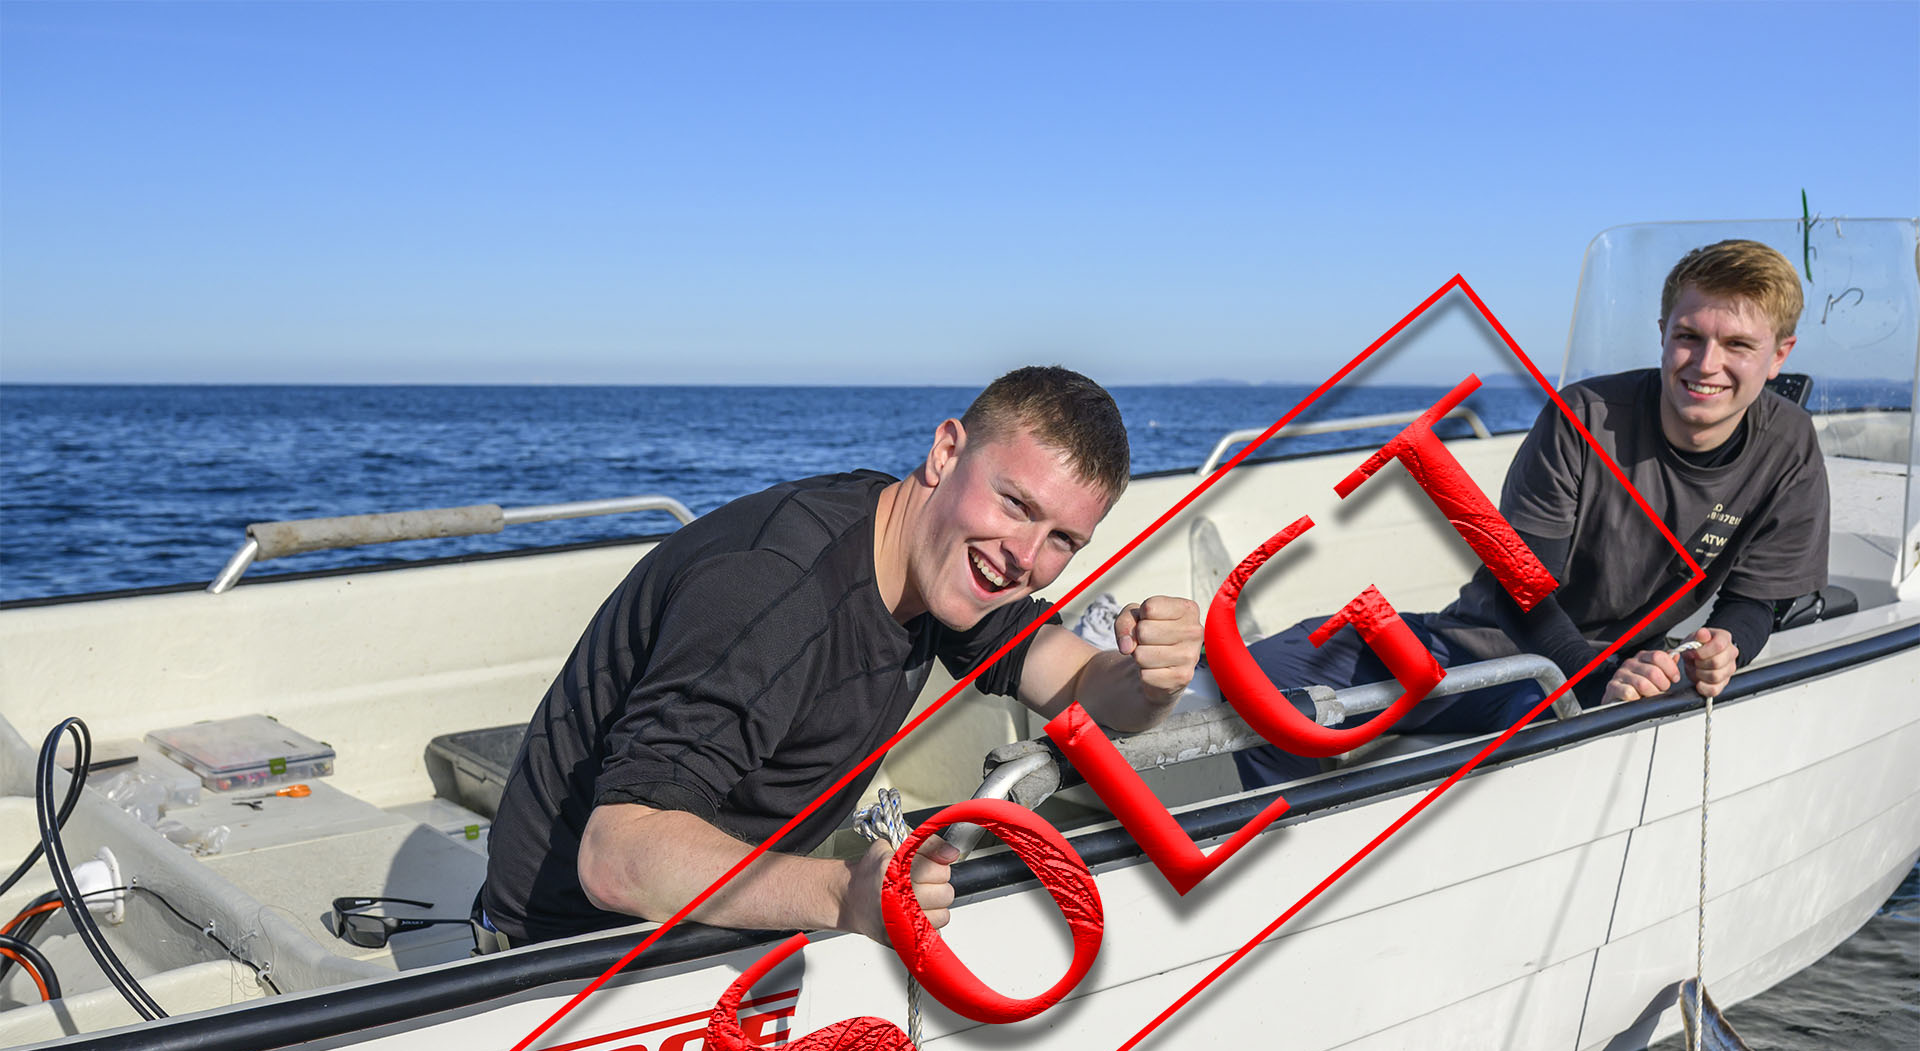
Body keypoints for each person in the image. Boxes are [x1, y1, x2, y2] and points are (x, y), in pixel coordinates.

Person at [480, 367, 1202, 950]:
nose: (1023, 557)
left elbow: (1081, 685)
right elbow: (618, 857)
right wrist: (841, 894)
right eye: (1014, 503)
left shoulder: (940, 559)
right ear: (945, 453)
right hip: (571, 950)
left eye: (1062, 542)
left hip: (700, 922)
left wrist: (1152, 680)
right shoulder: (776, 593)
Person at [1235, 238, 1830, 789]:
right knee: (1258, 678)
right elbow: (1518, 588)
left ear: (1780, 355)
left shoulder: (1789, 444)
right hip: (1485, 648)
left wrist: (1726, 648)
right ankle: (1290, 862)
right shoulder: (1585, 416)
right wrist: (1594, 675)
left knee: (1554, 743)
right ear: (1662, 332)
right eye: (1689, 336)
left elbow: (1757, 599)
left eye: (1738, 345)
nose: (1705, 363)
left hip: (1590, 681)